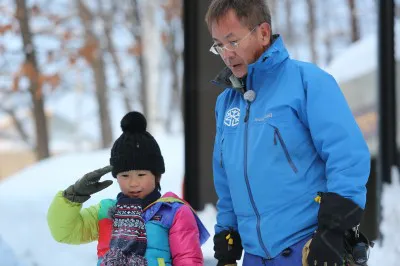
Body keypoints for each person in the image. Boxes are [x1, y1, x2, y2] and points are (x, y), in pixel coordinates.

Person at [205, 0, 371, 265]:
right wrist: (228, 231)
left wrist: (332, 231)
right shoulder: (226, 104)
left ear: (263, 33)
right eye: (218, 45)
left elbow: (347, 157)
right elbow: (227, 177)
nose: (226, 54)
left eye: (232, 42)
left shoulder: (308, 83)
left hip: (308, 248)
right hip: (255, 256)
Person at [47, 111, 210, 266]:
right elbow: (65, 232)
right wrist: (74, 196)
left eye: (141, 175)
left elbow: (188, 259)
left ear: (156, 175)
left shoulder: (173, 213)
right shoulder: (106, 211)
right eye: (125, 176)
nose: (133, 183)